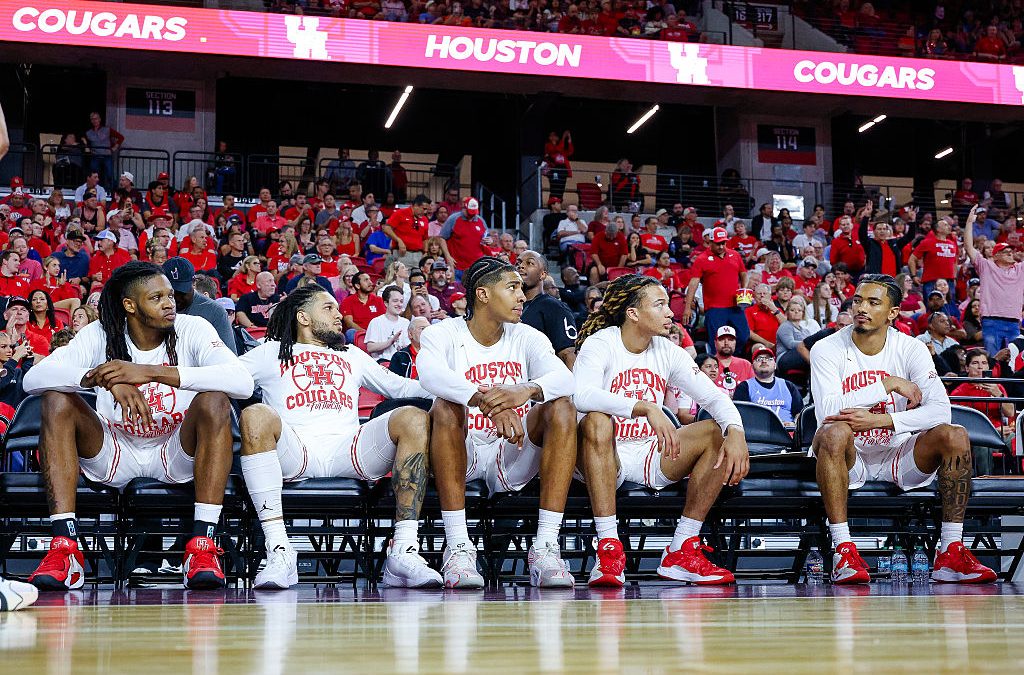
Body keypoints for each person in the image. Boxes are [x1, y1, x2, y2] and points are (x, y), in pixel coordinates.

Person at [22, 262, 254, 591]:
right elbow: (34, 378)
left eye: (170, 296)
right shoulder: (101, 333)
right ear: (130, 306)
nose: (169, 303)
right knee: (56, 400)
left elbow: (242, 383)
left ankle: (201, 546)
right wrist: (101, 378)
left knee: (215, 400)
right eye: (156, 297)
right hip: (115, 450)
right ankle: (65, 549)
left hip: (174, 451)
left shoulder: (193, 328)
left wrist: (149, 373)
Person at [238, 285, 440, 589]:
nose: (338, 315)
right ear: (303, 317)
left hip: (348, 449)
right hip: (295, 450)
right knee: (255, 414)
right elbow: (225, 376)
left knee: (413, 417)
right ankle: (280, 550)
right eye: (329, 308)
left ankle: (403, 551)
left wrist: (467, 391)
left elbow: (401, 388)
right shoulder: (270, 351)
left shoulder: (352, 354)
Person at [810, 273, 996, 585]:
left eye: (873, 302)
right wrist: (886, 384)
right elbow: (829, 412)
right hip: (848, 457)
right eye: (858, 300)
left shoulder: (911, 349)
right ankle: (843, 549)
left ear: (893, 313)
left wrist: (882, 420)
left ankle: (950, 551)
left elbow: (941, 410)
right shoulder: (826, 349)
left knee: (955, 435)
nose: (862, 308)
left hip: (898, 451)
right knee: (833, 432)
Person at [573, 274, 747, 586]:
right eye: (660, 305)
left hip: (649, 452)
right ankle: (609, 550)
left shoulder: (667, 350)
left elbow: (714, 396)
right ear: (633, 313)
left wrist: (736, 431)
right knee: (597, 420)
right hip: (602, 454)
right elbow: (582, 396)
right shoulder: (601, 343)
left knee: (714, 432)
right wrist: (646, 406)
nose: (670, 312)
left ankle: (682, 548)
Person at [418, 257, 577, 589]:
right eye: (512, 287)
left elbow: (565, 378)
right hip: (462, 451)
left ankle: (545, 546)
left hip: (512, 452)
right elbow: (429, 374)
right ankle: (459, 547)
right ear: (483, 295)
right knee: (445, 406)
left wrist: (526, 390)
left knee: (561, 407)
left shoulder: (527, 336)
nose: (521, 296)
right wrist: (485, 402)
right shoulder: (442, 333)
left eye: (521, 287)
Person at [964, 205, 1024, 357]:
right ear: (996, 256)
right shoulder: (986, 266)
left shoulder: (1020, 269)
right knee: (993, 359)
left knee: (1015, 361)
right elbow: (969, 247)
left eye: (1011, 251)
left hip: (1014, 323)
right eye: (1005, 252)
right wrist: (970, 222)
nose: (1010, 253)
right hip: (991, 321)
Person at [682, 228, 749, 355]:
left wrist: (744, 289)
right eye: (718, 243)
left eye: (723, 243)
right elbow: (693, 283)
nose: (721, 246)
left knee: (743, 335)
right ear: (710, 242)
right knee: (716, 341)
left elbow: (744, 274)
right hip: (714, 308)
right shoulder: (702, 259)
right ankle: (716, 364)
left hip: (735, 305)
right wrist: (687, 307)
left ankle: (731, 359)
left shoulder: (735, 255)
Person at [161, 258, 237, 355]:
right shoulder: (154, 308)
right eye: (171, 293)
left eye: (181, 292)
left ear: (193, 282)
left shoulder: (214, 311)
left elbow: (229, 358)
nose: (176, 298)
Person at [517, 250, 578, 369]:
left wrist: (574, 386)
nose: (521, 266)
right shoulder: (506, 307)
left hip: (540, 382)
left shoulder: (555, 307)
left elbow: (568, 354)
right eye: (518, 263)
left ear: (543, 275)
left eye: (530, 263)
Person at [733, 345, 803, 428]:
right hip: (758, 435)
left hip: (787, 434)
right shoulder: (744, 387)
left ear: (775, 365)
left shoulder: (789, 386)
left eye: (769, 359)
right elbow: (742, 415)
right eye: (759, 359)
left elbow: (799, 413)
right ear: (752, 366)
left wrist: (795, 424)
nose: (764, 361)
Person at [951, 351, 1015, 440]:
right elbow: (959, 424)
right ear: (967, 368)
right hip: (975, 435)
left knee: (1015, 440)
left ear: (988, 367)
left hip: (1001, 433)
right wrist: (993, 431)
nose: (980, 367)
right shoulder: (959, 392)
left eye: (984, 363)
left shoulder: (997, 387)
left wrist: (998, 395)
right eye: (975, 363)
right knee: (983, 444)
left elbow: (1010, 412)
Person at [439, 198, 489, 274]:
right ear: (464, 208)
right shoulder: (453, 219)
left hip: (476, 267)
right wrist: (448, 257)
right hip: (457, 266)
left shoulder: (481, 221)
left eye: (473, 213)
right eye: (469, 213)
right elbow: (442, 238)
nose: (471, 215)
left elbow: (486, 238)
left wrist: (489, 240)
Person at [365, 286, 411, 361]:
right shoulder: (376, 322)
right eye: (395, 301)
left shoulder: (406, 322)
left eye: (401, 301)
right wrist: (390, 342)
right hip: (382, 364)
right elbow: (370, 347)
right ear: (386, 303)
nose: (399, 304)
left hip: (401, 364)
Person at [341, 271, 387, 341]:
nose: (370, 282)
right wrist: (366, 333)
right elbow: (349, 323)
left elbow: (384, 320)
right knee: (350, 333)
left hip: (377, 334)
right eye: (366, 280)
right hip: (360, 334)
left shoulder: (379, 300)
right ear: (357, 286)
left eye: (370, 279)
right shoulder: (347, 301)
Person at [713, 326, 754, 397]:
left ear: (735, 342)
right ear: (715, 343)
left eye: (730, 340)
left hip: (742, 406)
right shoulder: (708, 364)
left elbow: (754, 391)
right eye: (722, 339)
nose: (726, 343)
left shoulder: (745, 364)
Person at [775, 295, 820, 359]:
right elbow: (790, 344)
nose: (796, 312)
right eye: (792, 310)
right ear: (787, 313)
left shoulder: (805, 330)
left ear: (803, 313)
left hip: (799, 354)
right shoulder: (785, 326)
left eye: (799, 310)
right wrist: (808, 343)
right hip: (784, 356)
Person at [744, 283, 784, 352]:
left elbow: (787, 325)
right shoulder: (749, 311)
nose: (762, 296)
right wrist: (767, 343)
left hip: (778, 345)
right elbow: (749, 333)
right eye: (759, 293)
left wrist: (774, 309)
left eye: (765, 293)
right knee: (760, 347)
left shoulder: (777, 310)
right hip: (758, 344)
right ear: (754, 296)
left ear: (770, 296)